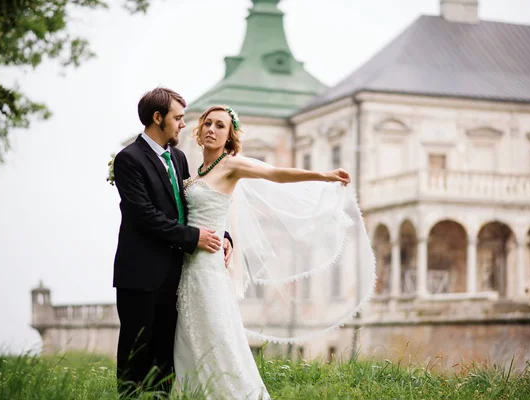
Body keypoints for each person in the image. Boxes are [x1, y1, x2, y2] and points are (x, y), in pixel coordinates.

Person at [172, 105, 359, 399]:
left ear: (230, 135)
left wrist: (324, 175)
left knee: (218, 337)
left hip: (208, 269)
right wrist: (226, 236)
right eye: (208, 123)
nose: (211, 129)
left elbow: (275, 173)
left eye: (220, 126)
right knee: (190, 339)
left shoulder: (231, 165)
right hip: (188, 267)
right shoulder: (195, 172)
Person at [111, 88, 233, 395]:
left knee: (166, 355)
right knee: (137, 352)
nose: (182, 124)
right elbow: (145, 215)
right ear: (157, 118)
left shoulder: (177, 157)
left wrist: (223, 235)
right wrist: (194, 238)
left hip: (175, 272)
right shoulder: (129, 159)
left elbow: (193, 203)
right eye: (177, 118)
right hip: (139, 273)